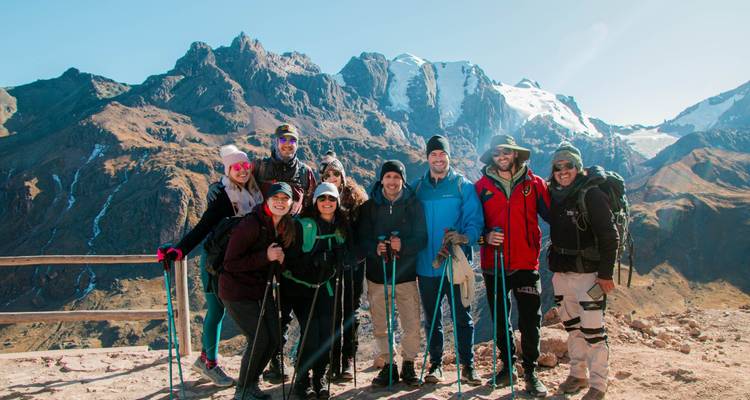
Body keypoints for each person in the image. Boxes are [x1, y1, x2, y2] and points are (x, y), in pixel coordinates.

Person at [157, 145, 264, 388]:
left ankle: (207, 360)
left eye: (246, 166)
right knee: (216, 310)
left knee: (220, 310)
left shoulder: (254, 194)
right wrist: (180, 250)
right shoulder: (223, 197)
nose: (243, 171)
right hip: (216, 261)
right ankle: (209, 362)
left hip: (237, 262)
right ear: (228, 170)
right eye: (237, 167)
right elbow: (203, 227)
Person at [474, 135, 550, 397]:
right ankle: (508, 367)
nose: (502, 157)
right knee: (499, 320)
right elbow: (473, 228)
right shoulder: (481, 187)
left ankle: (530, 371)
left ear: (515, 154)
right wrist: (485, 237)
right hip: (493, 263)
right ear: (492, 157)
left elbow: (553, 214)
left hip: (526, 262)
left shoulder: (534, 184)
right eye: (497, 153)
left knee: (530, 319)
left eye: (506, 152)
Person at [547, 142, 618, 400]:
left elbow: (610, 236)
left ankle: (599, 384)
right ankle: (577, 374)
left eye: (569, 166)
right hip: (562, 273)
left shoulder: (591, 194)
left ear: (578, 167)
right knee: (572, 325)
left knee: (593, 330)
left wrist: (606, 274)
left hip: (589, 274)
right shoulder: (554, 194)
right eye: (558, 166)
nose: (563, 171)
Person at [413, 135, 484, 386]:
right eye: (434, 154)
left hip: (454, 265)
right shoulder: (418, 187)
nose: (438, 158)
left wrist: (466, 237)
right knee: (432, 318)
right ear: (428, 157)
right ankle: (436, 364)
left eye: (442, 154)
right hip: (426, 265)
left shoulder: (462, 186)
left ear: (448, 157)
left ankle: (468, 366)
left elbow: (475, 220)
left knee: (461, 316)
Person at [221, 182, 297, 400]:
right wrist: (265, 256)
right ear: (267, 200)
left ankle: (251, 385)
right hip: (236, 291)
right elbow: (230, 264)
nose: (280, 203)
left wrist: (280, 261)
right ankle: (243, 390)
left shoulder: (284, 226)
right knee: (259, 339)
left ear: (291, 203)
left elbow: (276, 265)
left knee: (273, 339)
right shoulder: (250, 225)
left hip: (259, 290)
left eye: (285, 199)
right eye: (276, 198)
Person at [357, 160, 427, 386]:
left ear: (403, 180)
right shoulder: (368, 208)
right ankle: (389, 365)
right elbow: (362, 238)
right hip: (378, 275)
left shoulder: (413, 205)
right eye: (388, 177)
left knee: (411, 323)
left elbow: (422, 237)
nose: (392, 181)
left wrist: (403, 246)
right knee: (381, 323)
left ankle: (408, 364)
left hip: (405, 274)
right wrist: (374, 249)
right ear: (382, 180)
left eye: (397, 177)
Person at [284, 182, 356, 399]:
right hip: (302, 288)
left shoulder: (341, 227)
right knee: (311, 334)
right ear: (315, 201)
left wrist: (337, 259)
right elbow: (290, 259)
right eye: (322, 198)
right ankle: (303, 380)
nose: (327, 202)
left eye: (331, 199)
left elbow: (348, 254)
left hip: (327, 287)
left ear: (337, 202)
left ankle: (320, 378)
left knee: (326, 333)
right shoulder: (303, 226)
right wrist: (313, 262)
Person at [318, 151, 369, 381]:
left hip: (354, 265)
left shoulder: (356, 201)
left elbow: (365, 235)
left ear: (343, 176)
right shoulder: (319, 199)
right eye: (327, 174)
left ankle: (347, 359)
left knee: (350, 310)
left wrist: (354, 257)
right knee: (331, 313)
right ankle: (332, 361)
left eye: (336, 174)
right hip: (329, 266)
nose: (332, 177)